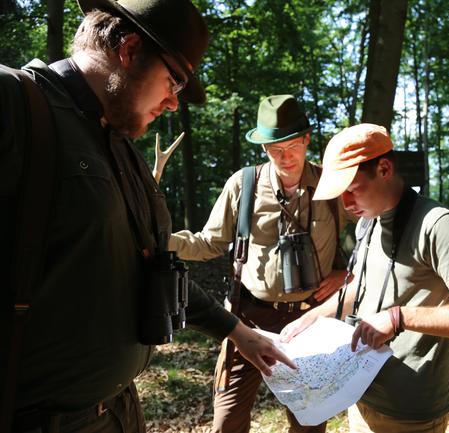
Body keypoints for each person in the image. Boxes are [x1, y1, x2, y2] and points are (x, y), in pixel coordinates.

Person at [0, 1, 294, 432]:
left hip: (119, 412)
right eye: (173, 81)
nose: (174, 103)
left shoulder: (117, 145)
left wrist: (238, 332)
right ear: (130, 49)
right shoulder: (14, 105)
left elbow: (150, 266)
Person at [280, 123, 449, 433]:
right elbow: (364, 284)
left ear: (384, 168)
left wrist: (399, 317)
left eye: (352, 190)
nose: (346, 205)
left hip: (409, 410)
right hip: (362, 392)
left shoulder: (438, 226)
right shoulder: (368, 222)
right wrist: (315, 317)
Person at [169, 94, 352, 433]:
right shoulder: (244, 184)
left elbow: (373, 233)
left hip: (311, 320)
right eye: (274, 149)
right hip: (248, 319)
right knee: (228, 421)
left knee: (309, 422)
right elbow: (209, 242)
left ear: (307, 139)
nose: (285, 157)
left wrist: (348, 274)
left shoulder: (332, 185)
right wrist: (161, 239)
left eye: (293, 146)